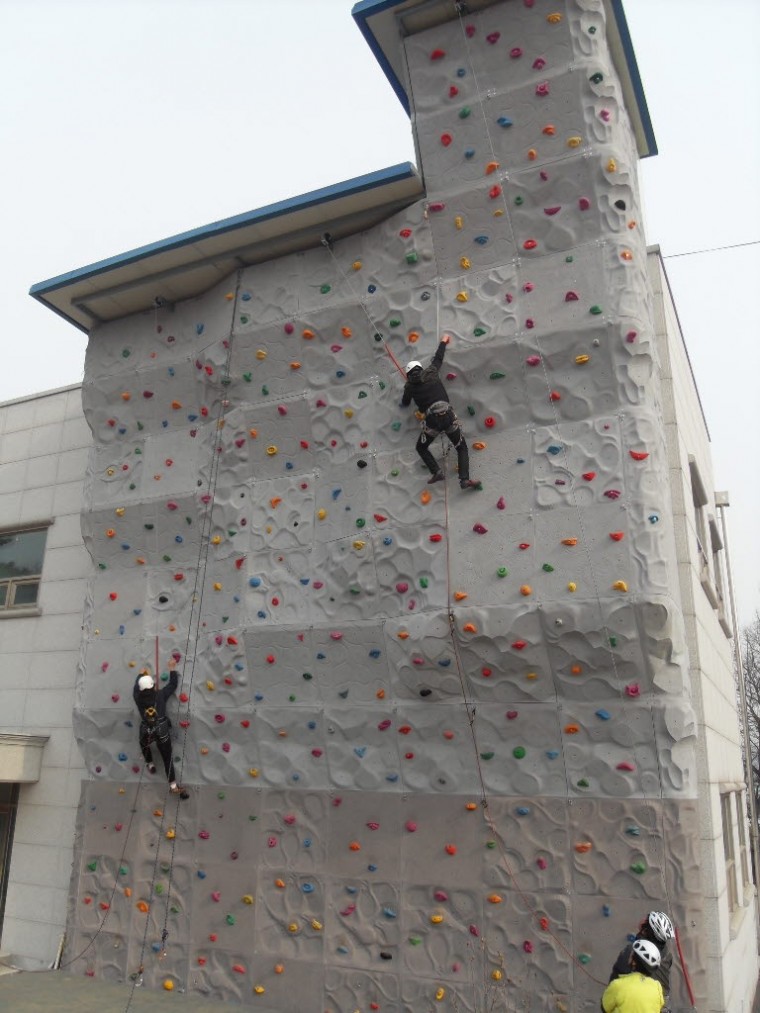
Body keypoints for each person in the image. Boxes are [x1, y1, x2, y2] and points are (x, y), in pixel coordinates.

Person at [401, 336, 479, 490]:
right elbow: (438, 357)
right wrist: (443, 341)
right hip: (448, 416)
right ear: (420, 369)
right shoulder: (431, 371)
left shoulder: (409, 387)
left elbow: (405, 403)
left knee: (421, 448)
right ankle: (464, 480)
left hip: (433, 422)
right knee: (461, 447)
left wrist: (408, 388)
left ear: (408, 374)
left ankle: (436, 472)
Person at [133, 654, 188, 798]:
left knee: (144, 744)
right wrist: (172, 669)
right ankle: (173, 785)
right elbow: (172, 685)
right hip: (161, 730)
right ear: (153, 686)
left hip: (146, 729)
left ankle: (150, 763)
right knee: (167, 756)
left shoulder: (138, 698)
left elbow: (135, 689)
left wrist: (140, 675)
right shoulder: (161, 695)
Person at [609, 910, 674, 1007]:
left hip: (642, 999)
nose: (643, 920)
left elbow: (617, 975)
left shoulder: (632, 951)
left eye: (647, 920)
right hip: (662, 999)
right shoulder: (667, 954)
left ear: (647, 930)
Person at [601, 939, 665, 1012]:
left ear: (634, 962)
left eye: (632, 956)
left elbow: (605, 1007)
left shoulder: (617, 984)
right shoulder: (657, 987)